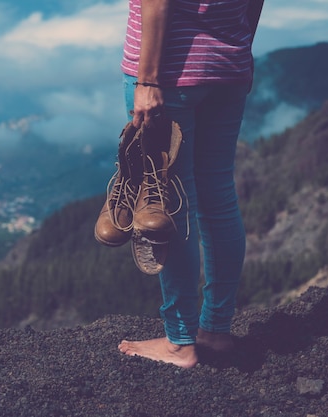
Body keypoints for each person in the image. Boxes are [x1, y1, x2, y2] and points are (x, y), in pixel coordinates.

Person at [114, 0, 265, 368]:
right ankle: (215, 330)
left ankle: (180, 342)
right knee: (219, 198)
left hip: (168, 75)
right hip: (229, 66)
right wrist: (242, 51)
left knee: (172, 203)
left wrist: (147, 80)